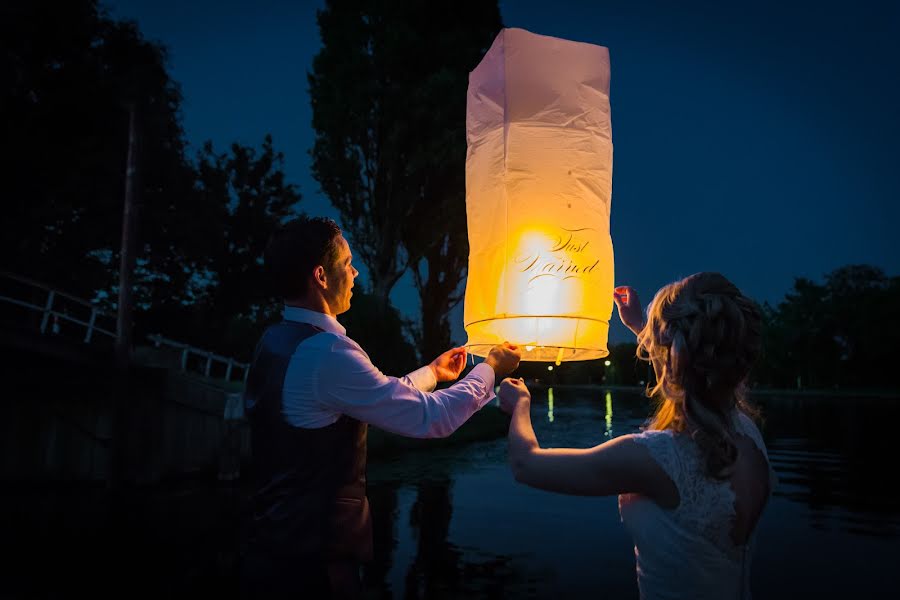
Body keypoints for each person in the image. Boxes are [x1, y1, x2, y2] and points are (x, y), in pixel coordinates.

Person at [239, 216, 521, 599]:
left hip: (274, 545)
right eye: (347, 263)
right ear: (321, 276)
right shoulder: (328, 352)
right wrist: (490, 369)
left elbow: (378, 394)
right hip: (314, 565)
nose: (355, 273)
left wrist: (433, 373)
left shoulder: (276, 340)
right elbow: (430, 418)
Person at [499, 273, 775, 599]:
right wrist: (641, 326)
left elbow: (526, 464)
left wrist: (520, 405)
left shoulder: (656, 458)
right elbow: (684, 367)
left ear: (673, 354)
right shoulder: (749, 435)